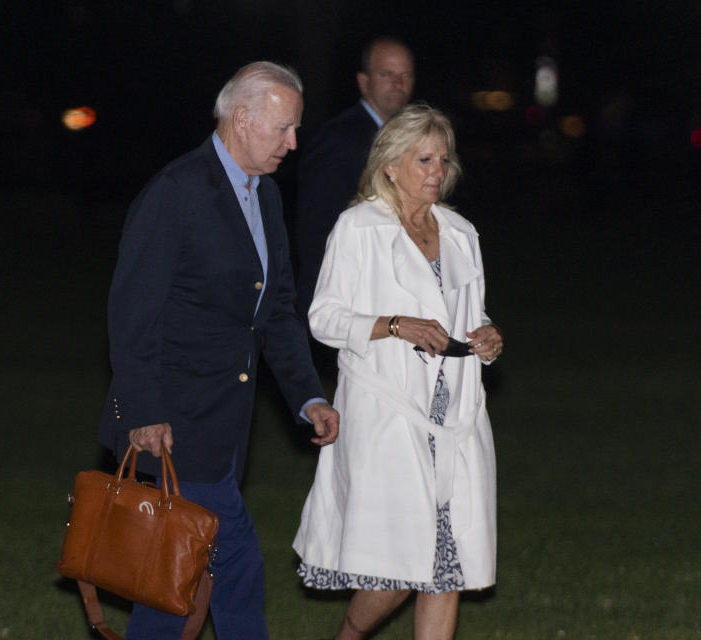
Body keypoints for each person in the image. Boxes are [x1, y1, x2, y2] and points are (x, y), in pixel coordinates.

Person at [97, 61, 340, 640]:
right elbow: (132, 313)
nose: (293, 143)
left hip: (227, 426)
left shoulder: (268, 198)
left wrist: (308, 396)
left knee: (171, 583)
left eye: (296, 129)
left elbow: (275, 311)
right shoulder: (177, 191)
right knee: (234, 561)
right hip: (174, 425)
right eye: (283, 128)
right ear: (241, 118)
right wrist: (144, 411)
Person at [292, 104, 503, 640]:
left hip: (455, 415)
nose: (437, 171)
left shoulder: (459, 232)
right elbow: (324, 318)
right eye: (423, 159)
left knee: (445, 567)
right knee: (399, 567)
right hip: (389, 412)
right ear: (390, 165)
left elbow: (470, 315)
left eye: (443, 160)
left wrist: (486, 337)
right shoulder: (359, 228)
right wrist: (392, 324)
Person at [293, 37, 415, 321]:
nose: (398, 83)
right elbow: (315, 231)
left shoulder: (408, 138)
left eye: (405, 75)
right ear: (364, 82)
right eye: (387, 74)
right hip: (345, 304)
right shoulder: (339, 139)